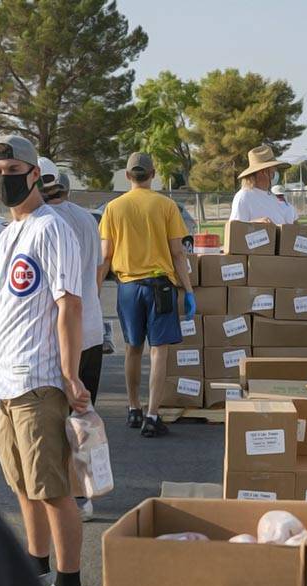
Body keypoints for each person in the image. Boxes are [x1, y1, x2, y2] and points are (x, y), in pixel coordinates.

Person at [0, 134, 92, 586]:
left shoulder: (51, 228)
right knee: (23, 486)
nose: (3, 180)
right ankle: (36, 571)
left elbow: (70, 304)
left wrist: (69, 374)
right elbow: (2, 303)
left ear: (36, 173)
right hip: (7, 381)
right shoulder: (8, 234)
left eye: (12, 171)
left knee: (54, 488)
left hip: (41, 381)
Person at [98, 152, 196, 437]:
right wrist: (188, 290)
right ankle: (152, 415)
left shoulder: (113, 208)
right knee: (159, 352)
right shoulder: (166, 206)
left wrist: (93, 292)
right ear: (153, 174)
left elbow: (105, 256)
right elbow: (178, 253)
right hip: (160, 288)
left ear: (128, 176)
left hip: (127, 287)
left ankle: (132, 408)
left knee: (132, 348)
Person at [39, 159, 104, 520]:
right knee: (83, 415)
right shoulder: (86, 219)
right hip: (91, 330)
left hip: (61, 335)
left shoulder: (45, 223)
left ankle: (63, 495)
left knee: (55, 419)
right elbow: (96, 273)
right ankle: (83, 495)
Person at [231, 145, 299, 224]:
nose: (275, 173)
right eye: (273, 169)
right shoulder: (244, 196)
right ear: (263, 172)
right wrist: (256, 223)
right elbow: (235, 228)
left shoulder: (272, 197)